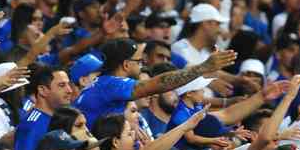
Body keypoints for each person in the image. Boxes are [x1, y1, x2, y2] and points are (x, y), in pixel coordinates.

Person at [75, 37, 237, 127]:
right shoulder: (111, 84)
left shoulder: (102, 84)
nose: (142, 66)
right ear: (126, 64)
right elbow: (158, 84)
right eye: (138, 61)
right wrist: (203, 67)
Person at [14, 65, 72, 150]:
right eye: (62, 85)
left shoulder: (58, 118)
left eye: (69, 84)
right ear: (42, 90)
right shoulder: (32, 125)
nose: (69, 90)